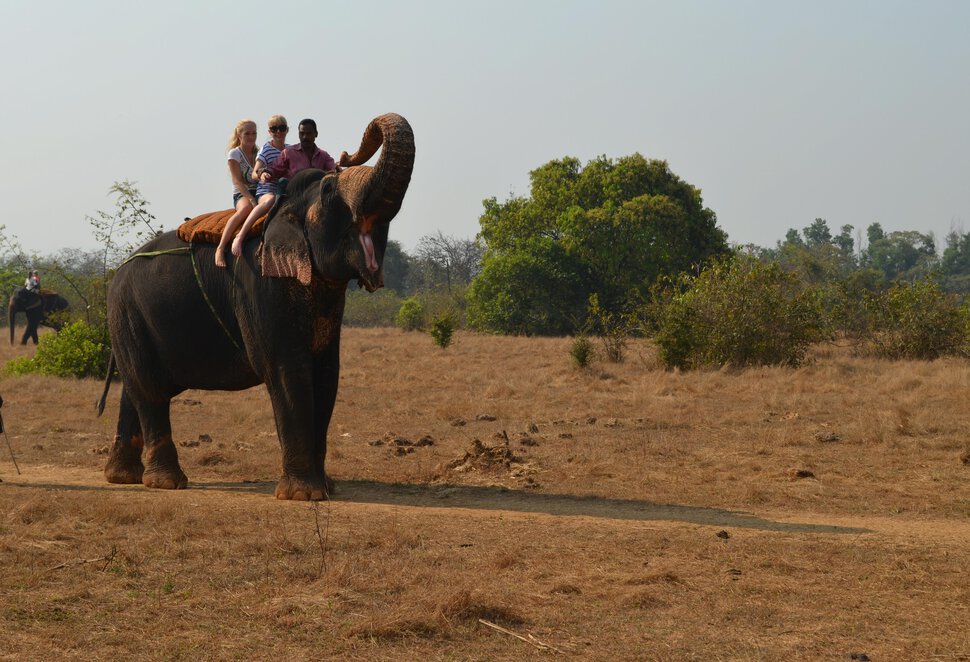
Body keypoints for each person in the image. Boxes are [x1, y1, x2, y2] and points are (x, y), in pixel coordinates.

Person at [230, 115, 290, 258]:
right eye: (274, 129)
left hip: (284, 190)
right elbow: (254, 174)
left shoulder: (290, 150)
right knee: (267, 202)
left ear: (287, 130)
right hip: (266, 190)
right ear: (269, 132)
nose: (278, 132)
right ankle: (239, 236)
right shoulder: (266, 149)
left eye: (281, 128)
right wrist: (262, 174)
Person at [215, 119, 259, 267]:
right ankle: (220, 248)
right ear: (239, 135)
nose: (251, 137)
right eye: (247, 133)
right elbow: (238, 182)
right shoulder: (235, 154)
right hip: (242, 193)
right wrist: (251, 199)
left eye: (254, 133)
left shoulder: (259, 152)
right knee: (246, 208)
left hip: (259, 190)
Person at [260, 118, 336, 183]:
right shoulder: (288, 152)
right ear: (298, 134)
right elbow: (274, 168)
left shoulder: (323, 155)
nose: (305, 137)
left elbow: (334, 171)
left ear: (316, 134)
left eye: (309, 133)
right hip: (294, 195)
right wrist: (266, 173)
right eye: (302, 133)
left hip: (316, 194)